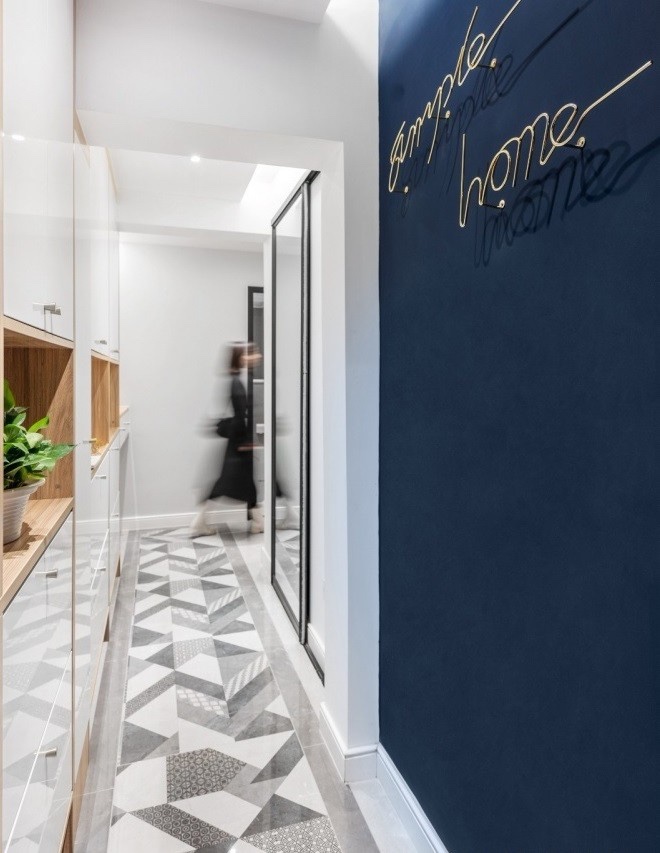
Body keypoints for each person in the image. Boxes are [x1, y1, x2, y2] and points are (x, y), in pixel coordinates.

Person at [190, 342, 263, 537]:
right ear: (240, 358)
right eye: (249, 354)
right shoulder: (236, 383)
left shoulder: (235, 380)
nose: (254, 356)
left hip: (237, 442)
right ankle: (199, 522)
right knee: (228, 484)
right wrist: (246, 442)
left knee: (241, 485)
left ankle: (257, 523)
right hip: (238, 444)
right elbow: (240, 416)